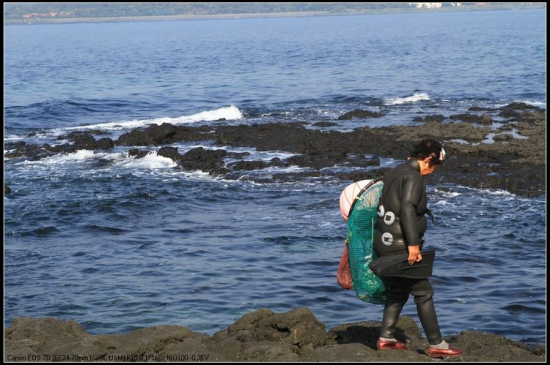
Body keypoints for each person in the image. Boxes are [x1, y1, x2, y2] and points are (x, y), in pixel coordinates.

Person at [373, 138, 463, 358]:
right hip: (401, 246)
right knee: (423, 293)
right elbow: (407, 211)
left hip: (384, 242)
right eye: (434, 166)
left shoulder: (397, 170)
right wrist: (413, 246)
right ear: (428, 158)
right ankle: (437, 345)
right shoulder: (413, 177)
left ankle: (386, 338)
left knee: (398, 291)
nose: (433, 171)